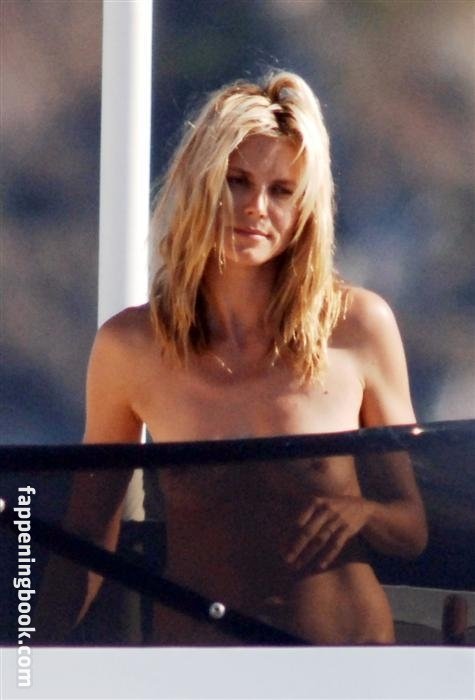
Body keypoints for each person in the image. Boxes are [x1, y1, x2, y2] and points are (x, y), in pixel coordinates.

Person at [36, 71, 427, 645]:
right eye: (237, 181)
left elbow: (413, 527)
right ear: (200, 183)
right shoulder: (131, 346)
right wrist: (28, 664)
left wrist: (361, 513)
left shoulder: (358, 327)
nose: (256, 207)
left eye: (282, 191)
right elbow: (90, 535)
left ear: (306, 208)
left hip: (349, 658)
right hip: (199, 665)